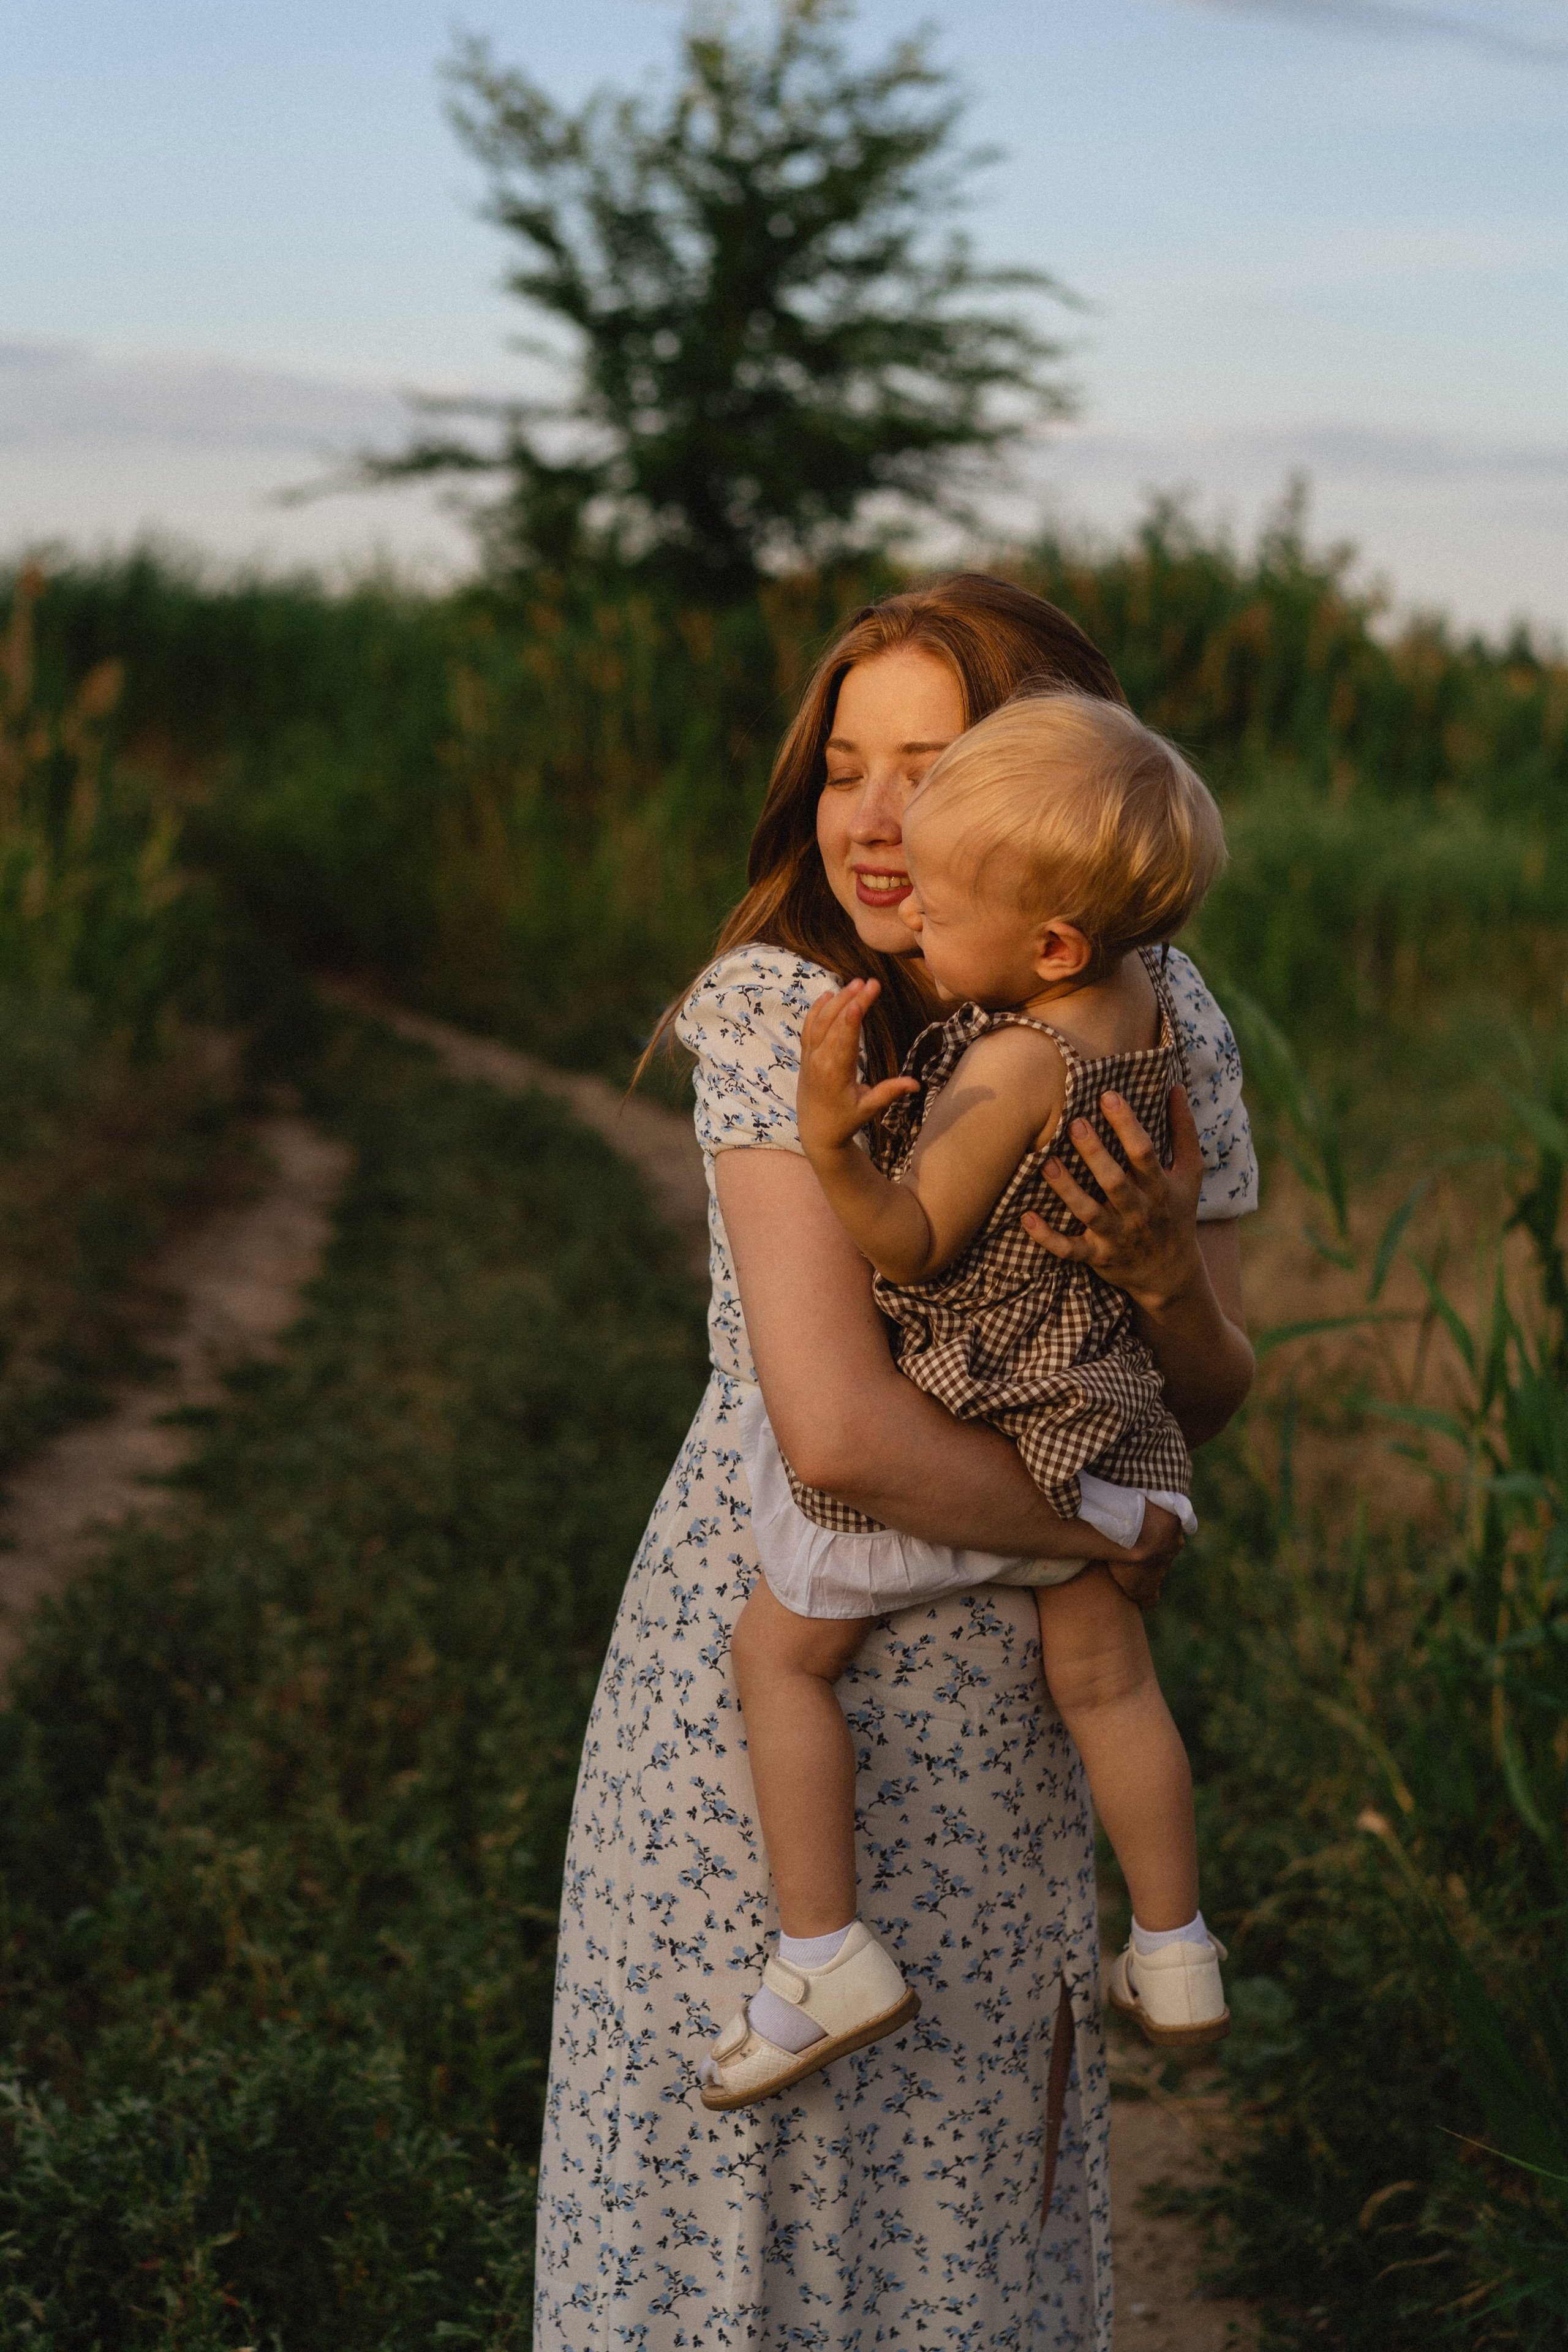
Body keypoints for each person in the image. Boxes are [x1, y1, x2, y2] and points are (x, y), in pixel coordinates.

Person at [532, 575, 1256, 2352]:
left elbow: (1216, 1382)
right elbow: (840, 1437)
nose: (870, 814)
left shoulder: (1166, 1022)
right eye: (844, 762)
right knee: (733, 2227)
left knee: (959, 2221)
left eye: (923, 767)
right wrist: (1106, 1524)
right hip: (774, 1677)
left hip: (998, 1737)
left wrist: (1162, 1279)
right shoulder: (785, 1008)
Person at [701, 693, 1231, 2117]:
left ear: (1047, 940)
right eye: (845, 772)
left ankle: (821, 1951)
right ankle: (1174, 1945)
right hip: (1106, 1404)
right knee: (1110, 1683)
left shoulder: (1008, 1057)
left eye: (936, 898)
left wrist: (831, 1145)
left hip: (987, 1402)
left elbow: (915, 1242)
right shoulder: (1139, 1013)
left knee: (780, 1654)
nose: (911, 912)